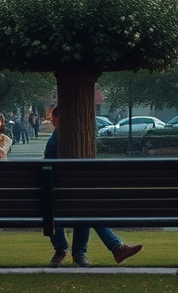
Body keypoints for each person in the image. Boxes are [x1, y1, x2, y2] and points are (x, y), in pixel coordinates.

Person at [44, 105, 143, 268]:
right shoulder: (72, 140)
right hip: (67, 198)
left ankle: (63, 250)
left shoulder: (54, 142)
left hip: (58, 199)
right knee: (87, 207)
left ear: (56, 120)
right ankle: (99, 250)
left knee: (79, 206)